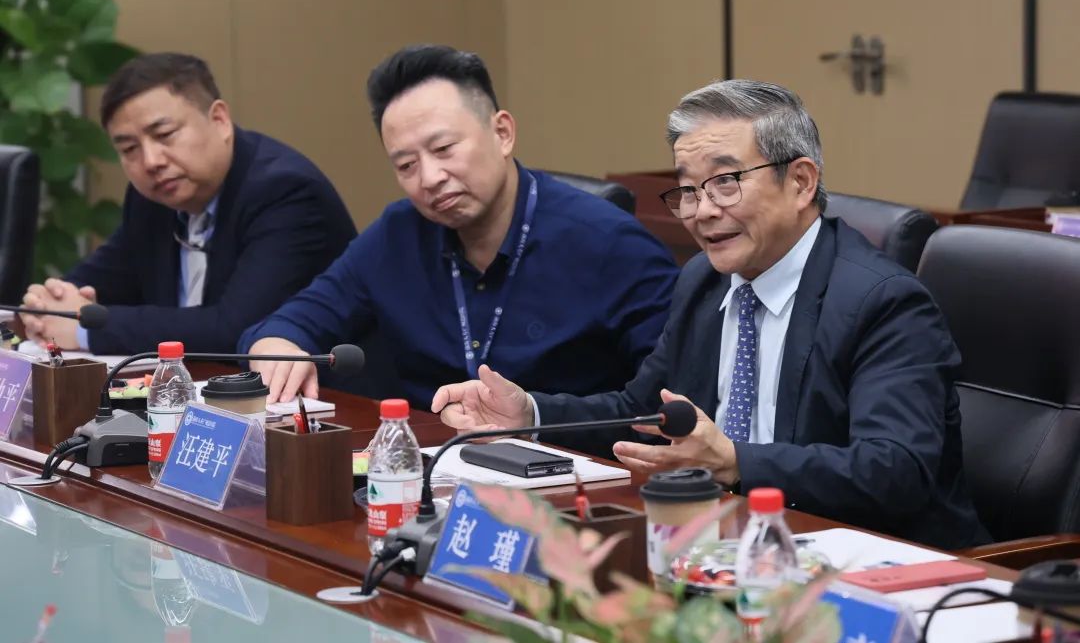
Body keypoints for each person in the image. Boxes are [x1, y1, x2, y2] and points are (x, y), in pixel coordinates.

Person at [432, 79, 987, 549]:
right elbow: (644, 412)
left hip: (872, 563)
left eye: (725, 183)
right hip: (726, 545)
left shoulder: (884, 303)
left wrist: (735, 461)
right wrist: (529, 415)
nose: (702, 212)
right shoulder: (705, 279)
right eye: (688, 190)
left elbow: (894, 471)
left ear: (800, 182)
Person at [240, 44, 677, 406]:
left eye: (444, 148)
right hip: (433, 466)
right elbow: (293, 322)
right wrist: (275, 346)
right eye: (406, 165)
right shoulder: (397, 235)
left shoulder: (609, 243)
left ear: (502, 133)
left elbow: (669, 400)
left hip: (573, 469)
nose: (429, 178)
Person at [21, 52, 356, 354]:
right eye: (129, 149)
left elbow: (234, 330)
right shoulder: (152, 198)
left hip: (319, 398)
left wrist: (85, 328)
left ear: (219, 120)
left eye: (165, 134)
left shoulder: (285, 192)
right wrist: (49, 305)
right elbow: (101, 277)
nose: (151, 161)